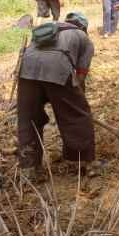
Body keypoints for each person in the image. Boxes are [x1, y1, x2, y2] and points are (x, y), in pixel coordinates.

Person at [17, 11, 98, 180]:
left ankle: (29, 169)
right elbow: (80, 77)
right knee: (77, 116)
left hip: (27, 71)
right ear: (84, 27)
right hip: (57, 69)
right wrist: (78, 101)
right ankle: (84, 162)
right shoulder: (83, 37)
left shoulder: (48, 29)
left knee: (29, 118)